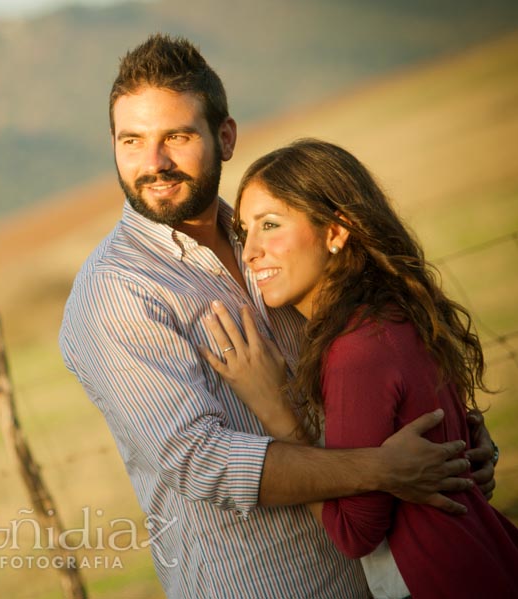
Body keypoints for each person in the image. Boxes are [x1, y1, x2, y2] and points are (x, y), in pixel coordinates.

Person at [58, 34, 498, 598]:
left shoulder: (272, 236)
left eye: (177, 136)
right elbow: (199, 459)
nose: (154, 163)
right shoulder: (116, 292)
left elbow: (378, 364)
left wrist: (458, 447)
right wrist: (385, 470)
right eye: (132, 140)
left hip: (387, 570)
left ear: (225, 136)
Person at [199, 138, 518, 599]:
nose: (249, 252)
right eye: (245, 230)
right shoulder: (394, 315)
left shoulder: (355, 351)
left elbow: (355, 533)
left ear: (336, 231)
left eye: (270, 225)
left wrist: (276, 412)